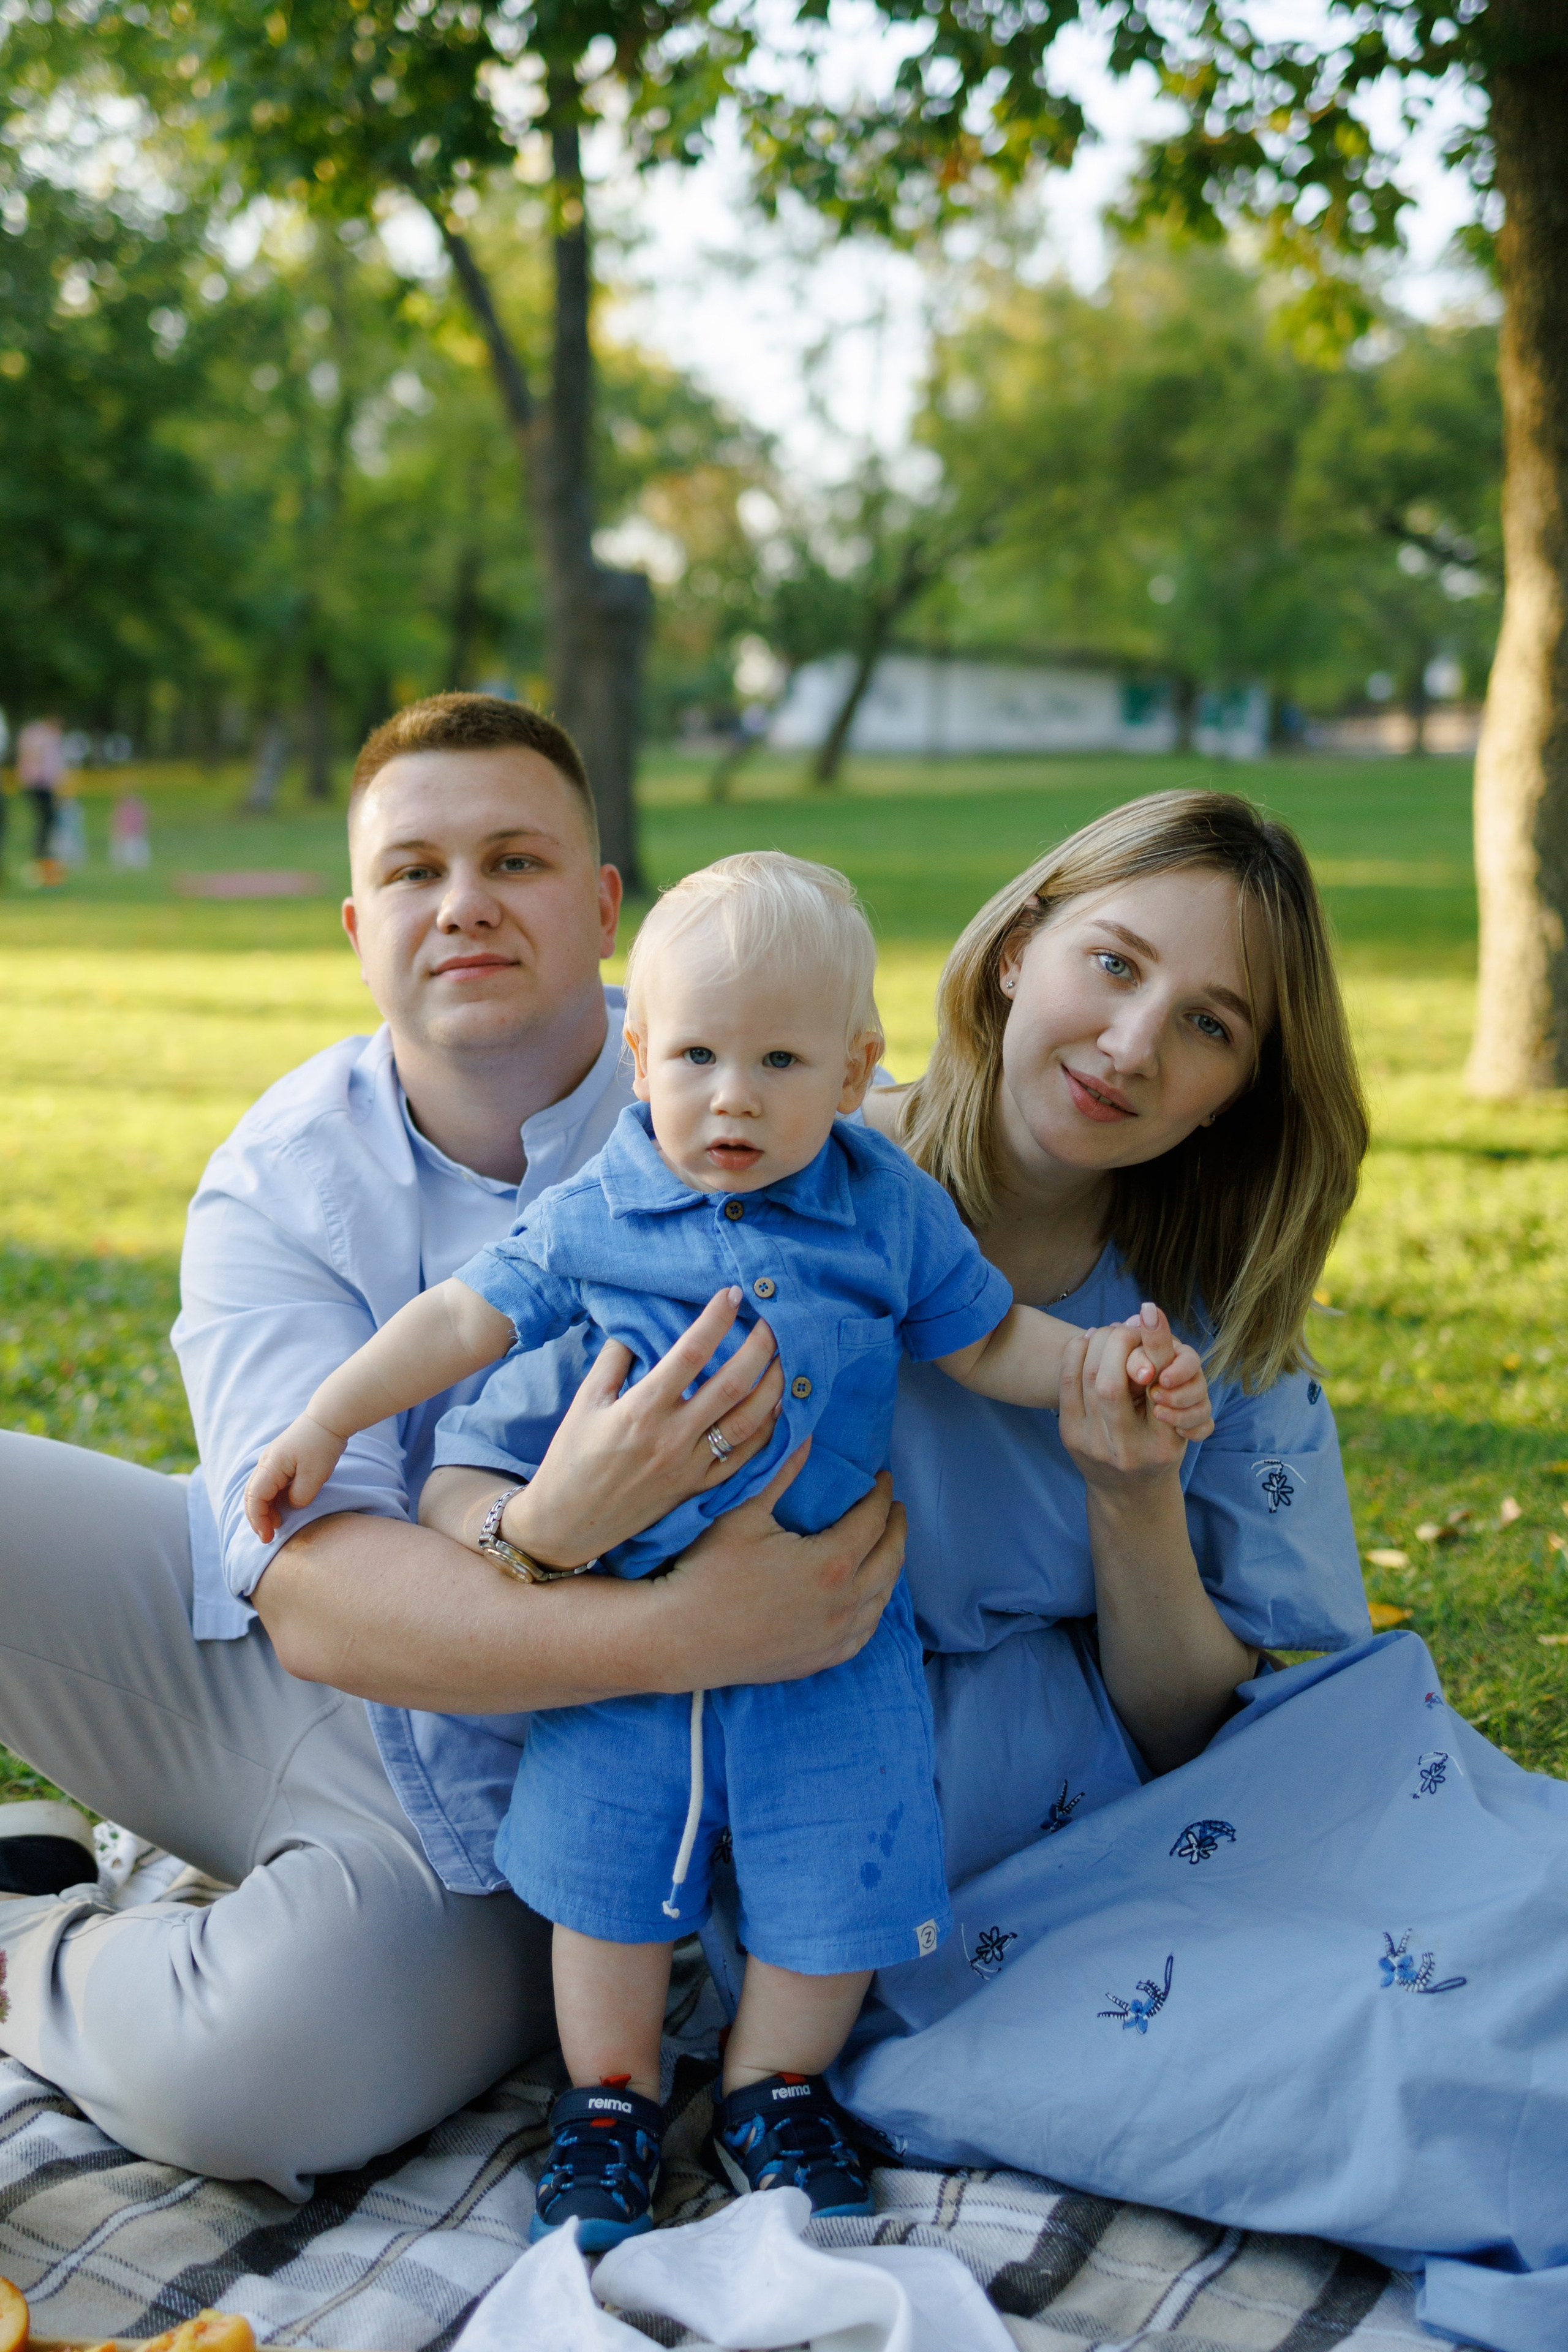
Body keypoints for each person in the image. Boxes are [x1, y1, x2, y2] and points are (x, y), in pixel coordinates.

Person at [423, 791, 1568, 2352]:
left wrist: (1130, 1498)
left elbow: (1207, 1732)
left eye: (1208, 1022)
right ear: (1018, 949)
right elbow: (465, 1477)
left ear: (1236, 1085)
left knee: (1512, 1946)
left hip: (1149, 1825)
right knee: (1377, 2064)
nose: (1130, 1041)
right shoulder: (769, 1177)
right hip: (873, 1841)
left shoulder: (1205, 1333)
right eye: (1109, 961)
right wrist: (546, 1529)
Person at [0, 695, 907, 2199]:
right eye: (415, 870)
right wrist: (657, 1607)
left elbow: (951, 1178)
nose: (463, 902)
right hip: (271, 1659)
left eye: (514, 858)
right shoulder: (280, 1176)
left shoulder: (751, 1090)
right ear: (359, 925)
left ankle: (33, 1934)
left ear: (607, 903)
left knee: (247, 2080)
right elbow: (312, 1591)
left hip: (520, 1799)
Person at [244, 851, 1212, 2247]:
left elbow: (990, 1334)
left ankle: (773, 2084)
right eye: (694, 1053)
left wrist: (1100, 1369)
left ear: (853, 1065)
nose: (733, 1095)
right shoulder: (596, 1210)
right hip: (626, 1646)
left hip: (828, 1648)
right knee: (604, 1887)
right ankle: (611, 2097)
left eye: (778, 1058)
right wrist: (330, 1415)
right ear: (638, 1054)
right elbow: (463, 1320)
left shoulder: (884, 1208)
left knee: (836, 1885)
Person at [15, 715, 66, 867]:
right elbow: (37, 759)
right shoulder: (41, 737)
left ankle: (42, 851)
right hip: (39, 783)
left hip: (38, 783)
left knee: (46, 819)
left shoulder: (36, 735)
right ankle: (41, 852)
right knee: (46, 818)